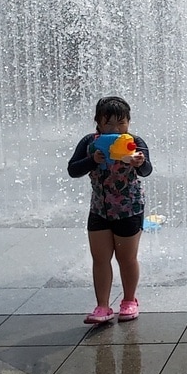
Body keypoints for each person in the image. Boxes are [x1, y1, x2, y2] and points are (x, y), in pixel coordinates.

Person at [67, 96, 152, 325]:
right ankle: (103, 306)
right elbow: (73, 170)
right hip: (100, 209)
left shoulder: (134, 142)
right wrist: (92, 160)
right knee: (100, 258)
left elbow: (147, 170)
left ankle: (129, 300)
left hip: (128, 209)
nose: (116, 129)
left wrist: (139, 162)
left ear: (129, 122)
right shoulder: (89, 143)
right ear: (98, 122)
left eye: (121, 123)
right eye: (109, 124)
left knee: (127, 258)